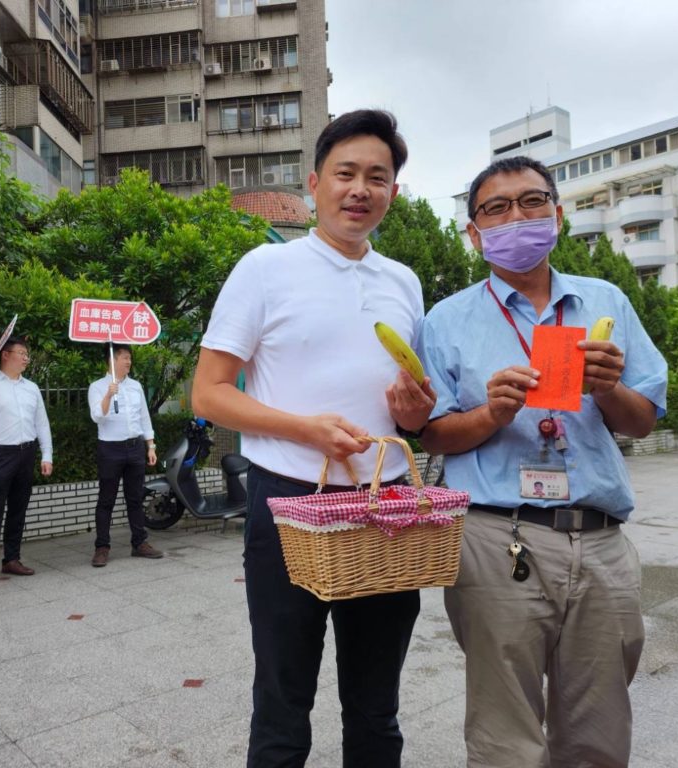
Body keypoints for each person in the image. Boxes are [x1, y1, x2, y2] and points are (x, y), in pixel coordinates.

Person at [192, 109, 435, 767]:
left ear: (393, 192)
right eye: (346, 173)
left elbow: (410, 418)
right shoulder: (266, 268)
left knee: (377, 709)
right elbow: (208, 393)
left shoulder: (403, 283)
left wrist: (414, 410)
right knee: (282, 700)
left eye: (377, 177)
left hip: (384, 509)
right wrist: (306, 430)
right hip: (289, 505)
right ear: (314, 182)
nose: (360, 189)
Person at [410, 155, 667, 768]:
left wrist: (606, 387)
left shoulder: (603, 301)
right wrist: (491, 414)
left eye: (531, 201)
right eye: (495, 209)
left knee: (598, 730)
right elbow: (431, 436)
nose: (516, 217)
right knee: (505, 734)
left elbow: (643, 420)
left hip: (601, 540)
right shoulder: (445, 321)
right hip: (498, 538)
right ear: (473, 233)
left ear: (557, 214)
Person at [0, 336, 53, 594]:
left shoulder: (32, 388)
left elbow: (42, 423)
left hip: (26, 453)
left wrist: (46, 454)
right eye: (22, 353)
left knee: (18, 509)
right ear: (5, 355)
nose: (26, 358)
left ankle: (11, 559)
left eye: (27, 354)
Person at [87, 343, 162, 567]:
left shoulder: (136, 386)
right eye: (123, 357)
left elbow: (144, 417)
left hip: (135, 447)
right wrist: (109, 396)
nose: (128, 362)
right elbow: (97, 417)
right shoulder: (98, 386)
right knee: (106, 499)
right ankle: (102, 546)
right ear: (111, 360)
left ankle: (139, 543)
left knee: (135, 498)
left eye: (129, 358)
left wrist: (150, 445)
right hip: (110, 449)